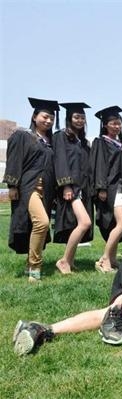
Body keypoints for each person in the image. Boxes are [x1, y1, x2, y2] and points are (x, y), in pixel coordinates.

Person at [3, 98, 59, 282]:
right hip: (29, 187)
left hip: (46, 189)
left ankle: (30, 264)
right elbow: (14, 159)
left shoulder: (50, 142)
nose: (49, 121)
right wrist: (12, 185)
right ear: (35, 117)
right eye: (45, 117)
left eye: (52, 118)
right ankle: (35, 266)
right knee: (42, 223)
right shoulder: (23, 136)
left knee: (35, 226)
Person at [53, 102, 94, 274]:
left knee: (78, 224)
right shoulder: (60, 136)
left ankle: (70, 260)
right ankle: (63, 261)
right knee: (85, 223)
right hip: (71, 188)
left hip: (82, 188)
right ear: (69, 118)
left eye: (83, 118)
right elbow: (60, 160)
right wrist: (66, 185)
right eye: (76, 117)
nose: (80, 120)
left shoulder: (83, 142)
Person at [90, 106, 122, 272]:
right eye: (113, 123)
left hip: (121, 188)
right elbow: (98, 165)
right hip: (110, 188)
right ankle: (104, 260)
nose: (117, 126)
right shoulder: (101, 142)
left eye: (119, 123)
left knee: (118, 223)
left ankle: (112, 259)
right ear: (105, 125)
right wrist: (101, 187)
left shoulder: (119, 144)